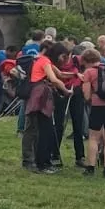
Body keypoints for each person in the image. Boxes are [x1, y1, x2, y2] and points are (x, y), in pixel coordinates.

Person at [25, 42, 71, 172]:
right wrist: (66, 90)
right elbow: (54, 79)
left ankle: (44, 161)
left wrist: (76, 75)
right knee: (44, 131)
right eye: (63, 57)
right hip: (41, 97)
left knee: (46, 130)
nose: (64, 60)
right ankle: (42, 164)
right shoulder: (45, 61)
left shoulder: (43, 60)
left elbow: (60, 74)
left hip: (38, 96)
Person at [80, 48, 105, 177]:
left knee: (93, 137)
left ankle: (90, 167)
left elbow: (86, 95)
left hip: (98, 106)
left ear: (86, 61)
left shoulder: (89, 72)